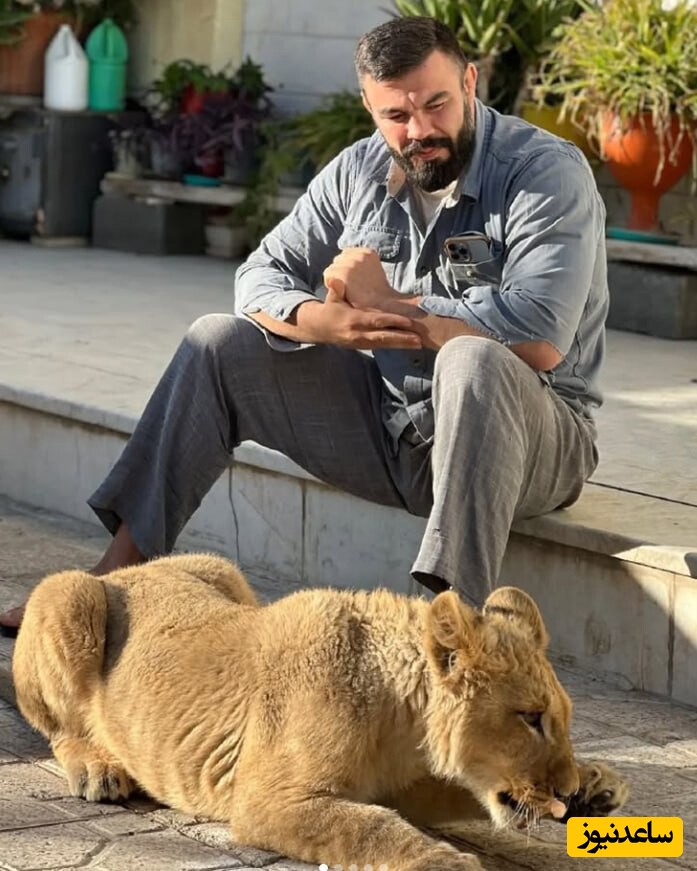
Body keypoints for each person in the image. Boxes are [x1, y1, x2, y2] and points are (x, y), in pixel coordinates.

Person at [0, 15, 608, 637]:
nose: (420, 129)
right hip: (401, 434)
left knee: (473, 360)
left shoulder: (543, 173)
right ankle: (114, 583)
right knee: (217, 341)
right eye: (396, 116)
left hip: (533, 444)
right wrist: (328, 322)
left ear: (470, 82)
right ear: (369, 107)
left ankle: (451, 629)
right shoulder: (358, 172)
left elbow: (538, 337)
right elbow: (258, 278)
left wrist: (395, 306)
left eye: (437, 104)